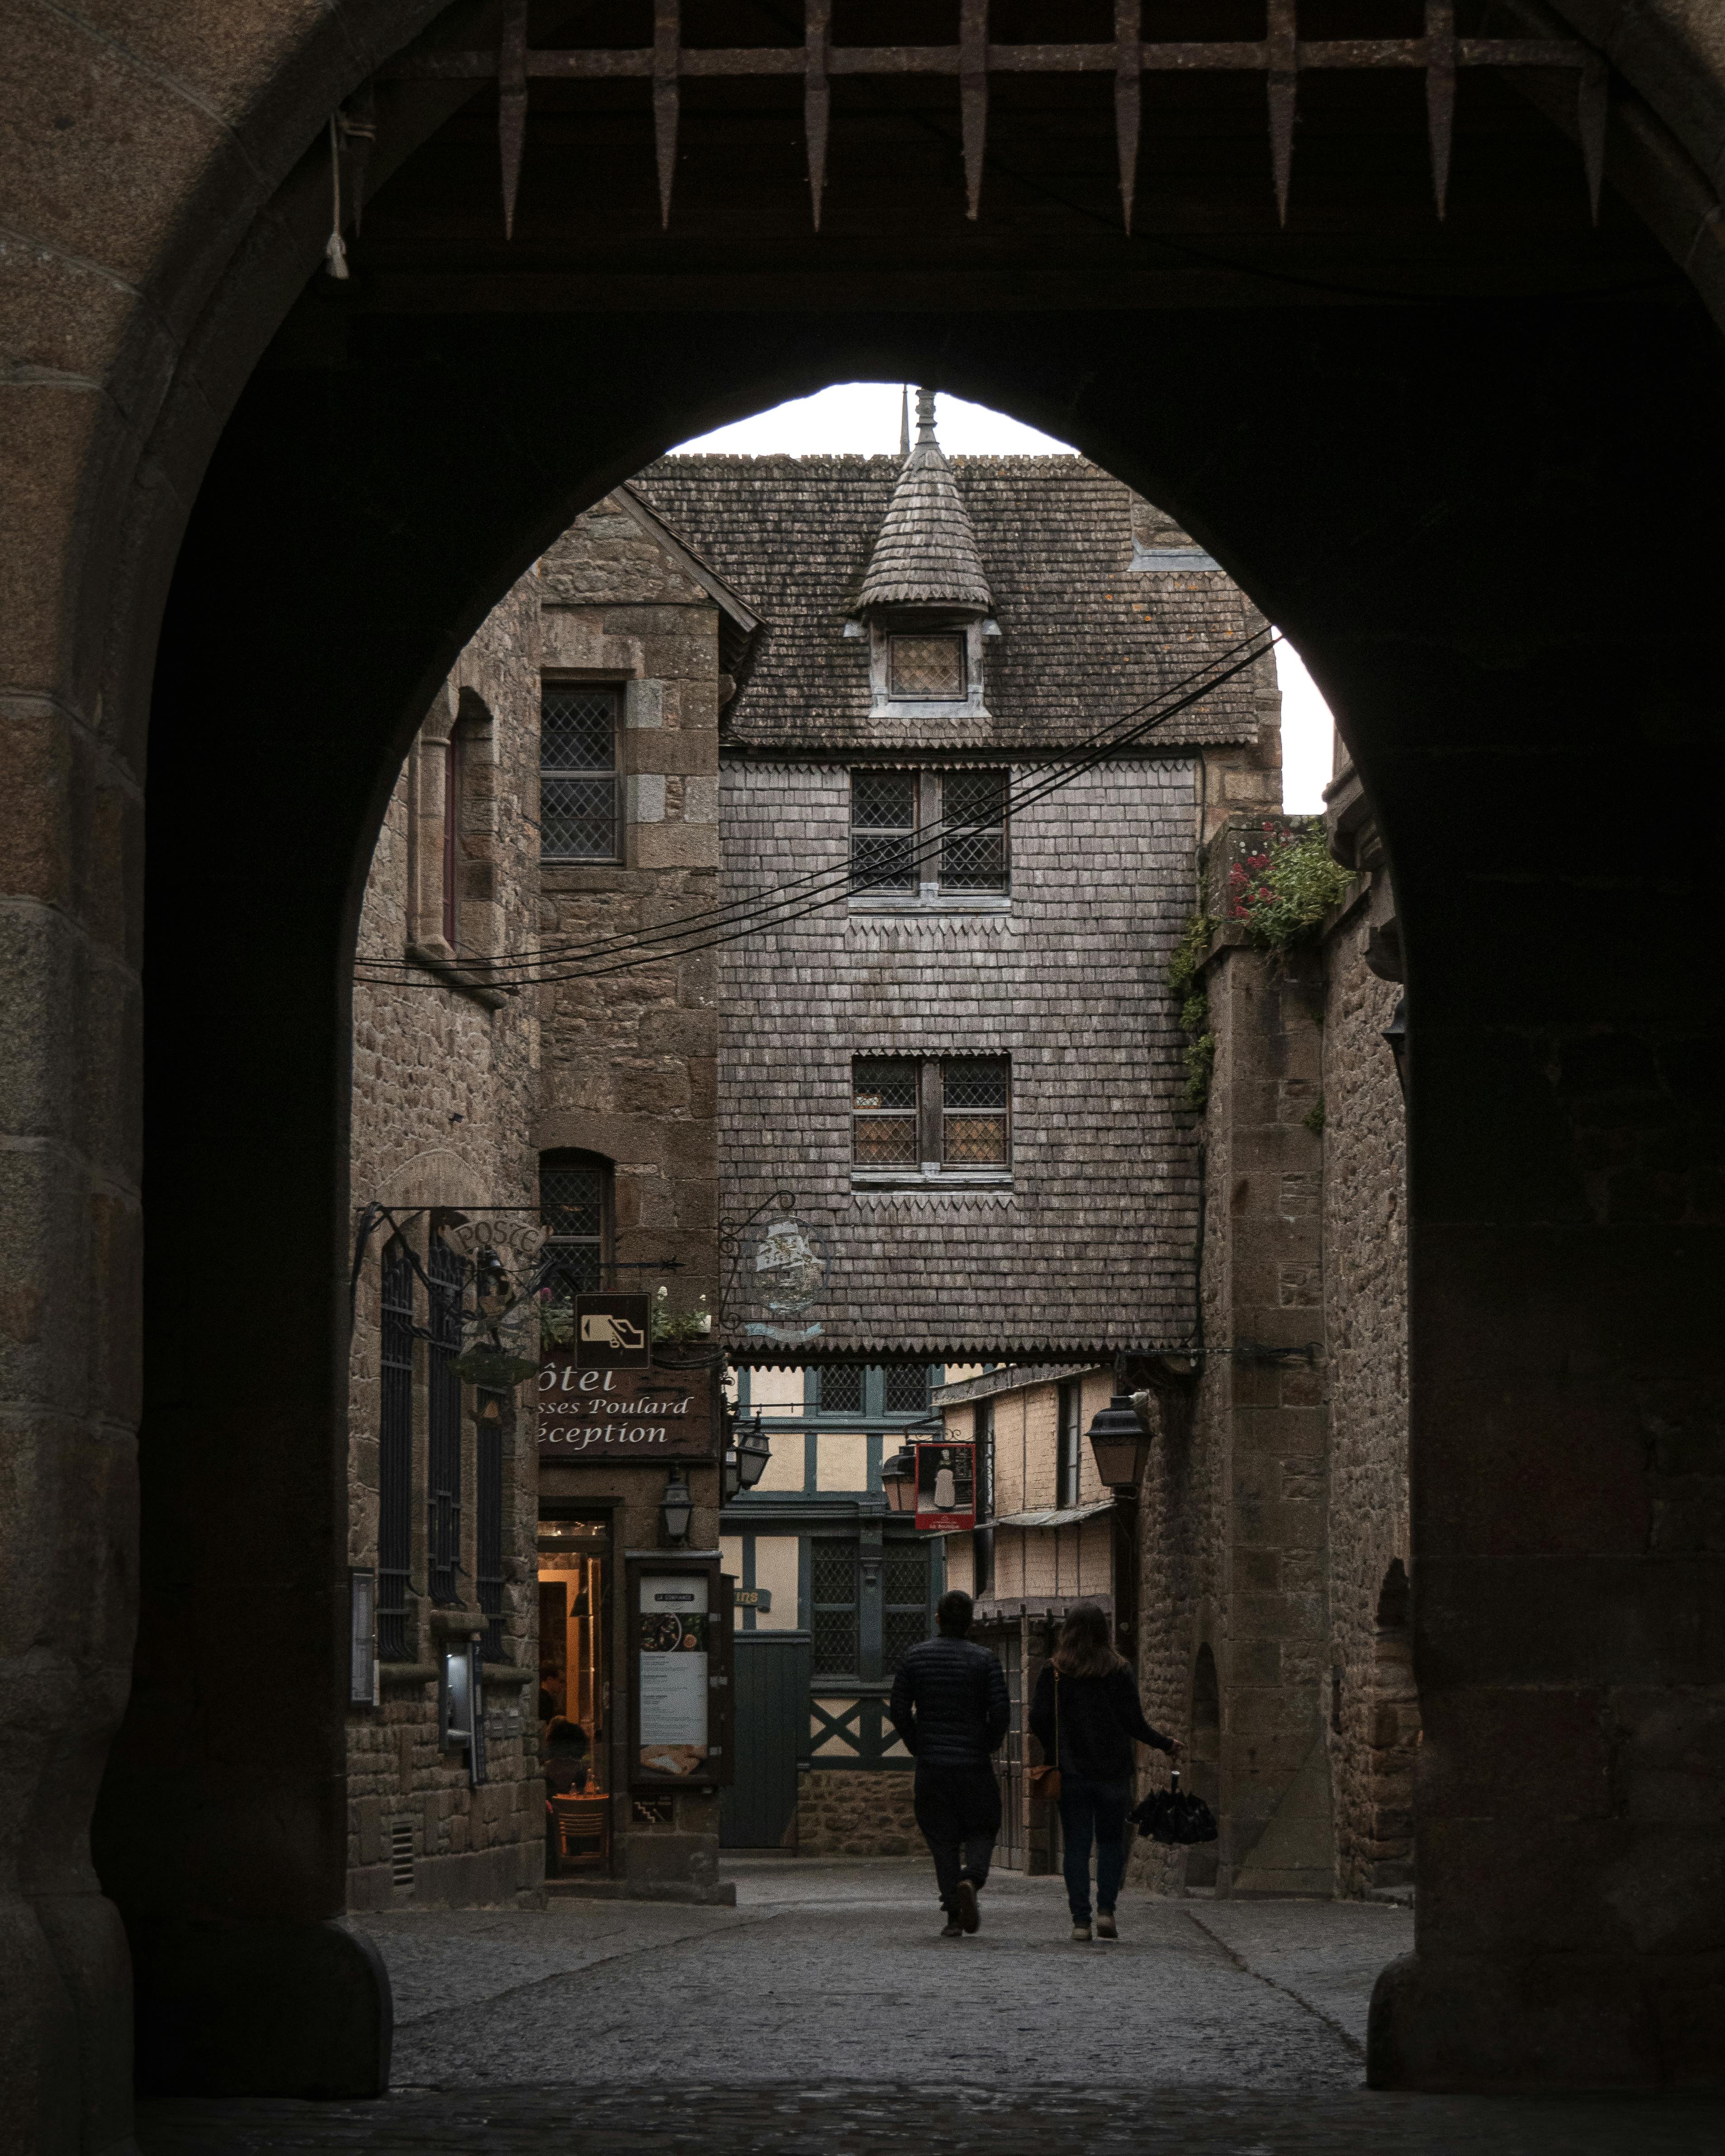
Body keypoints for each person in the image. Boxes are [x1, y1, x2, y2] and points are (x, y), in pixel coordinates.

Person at [1028, 1602, 1179, 1942]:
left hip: (1071, 1774)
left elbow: (1038, 1719)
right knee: (1112, 1843)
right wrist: (1165, 1743)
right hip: (1112, 1773)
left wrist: (1057, 1749)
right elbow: (1134, 1723)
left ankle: (1081, 1921)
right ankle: (1107, 1911)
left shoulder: (1054, 1673)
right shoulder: (1119, 1671)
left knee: (1077, 1846)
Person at [888, 1587, 1010, 1939]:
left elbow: (898, 1710)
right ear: (970, 1623)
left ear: (938, 1619)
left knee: (942, 1839)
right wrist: (987, 1744)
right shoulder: (985, 1660)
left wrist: (918, 1745)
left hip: (933, 1766)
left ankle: (954, 1917)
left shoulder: (915, 1658)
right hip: (973, 1763)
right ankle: (971, 1878)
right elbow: (1001, 1711)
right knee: (983, 1826)